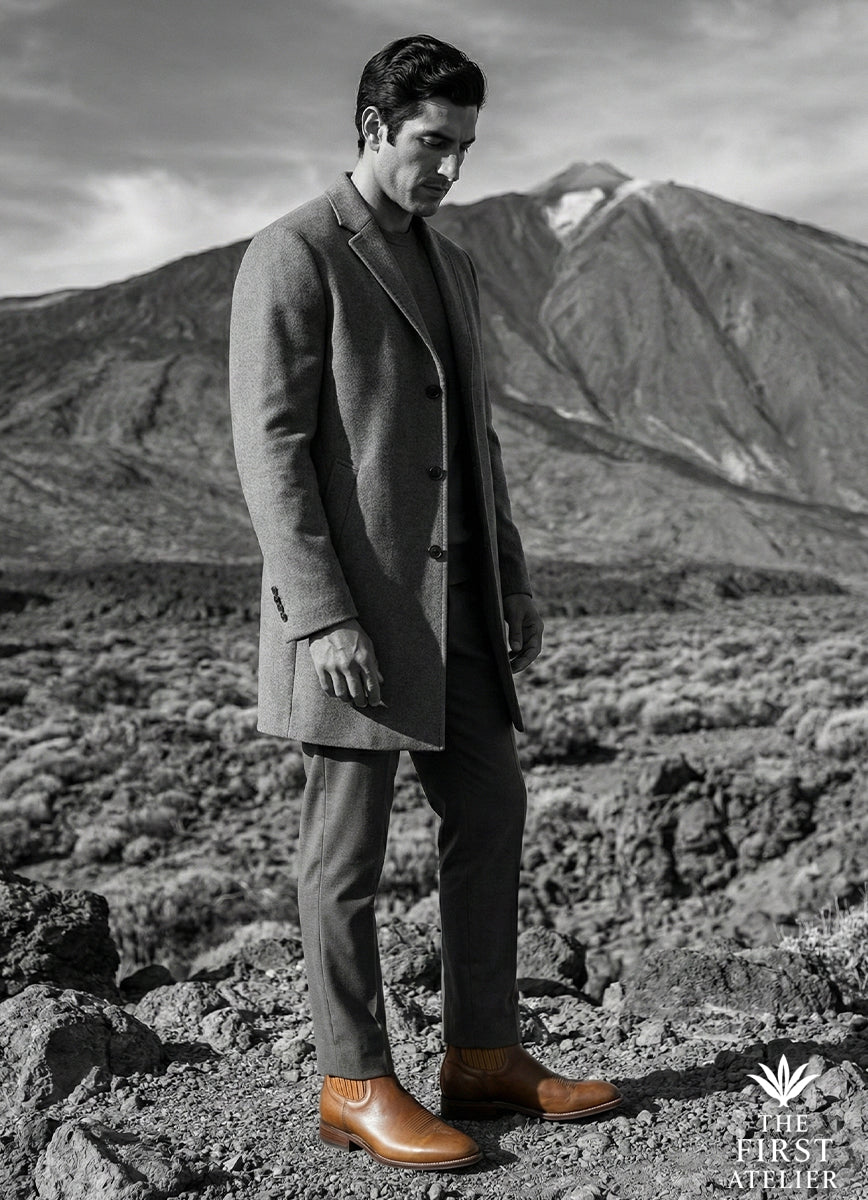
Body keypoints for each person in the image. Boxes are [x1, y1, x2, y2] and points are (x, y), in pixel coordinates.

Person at [228, 33, 622, 1172]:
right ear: (373, 128)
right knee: (343, 862)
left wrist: (512, 577)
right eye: (433, 144)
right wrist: (322, 615)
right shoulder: (295, 252)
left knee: (492, 816)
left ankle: (484, 1056)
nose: (450, 169)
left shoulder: (453, 265)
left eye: (466, 149)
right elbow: (270, 454)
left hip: (462, 613)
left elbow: (474, 443)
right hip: (354, 621)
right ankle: (355, 1082)